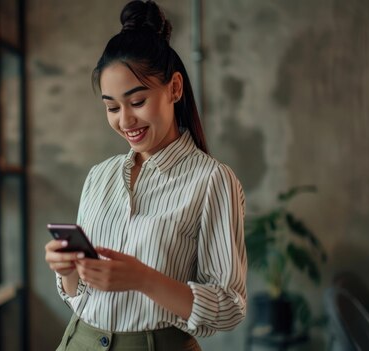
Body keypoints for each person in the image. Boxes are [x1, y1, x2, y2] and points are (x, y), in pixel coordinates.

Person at [44, 1, 247, 350]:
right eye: (111, 107)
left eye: (137, 102)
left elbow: (229, 308)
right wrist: (67, 272)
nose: (124, 121)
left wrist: (143, 279)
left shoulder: (212, 180)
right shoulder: (99, 176)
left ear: (174, 88)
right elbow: (79, 297)